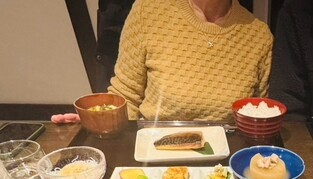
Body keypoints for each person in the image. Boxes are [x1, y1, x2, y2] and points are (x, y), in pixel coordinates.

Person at [108, 0, 273, 121]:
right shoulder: (148, 11)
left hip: (228, 156)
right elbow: (126, 96)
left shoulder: (259, 36)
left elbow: (260, 115)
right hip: (155, 149)